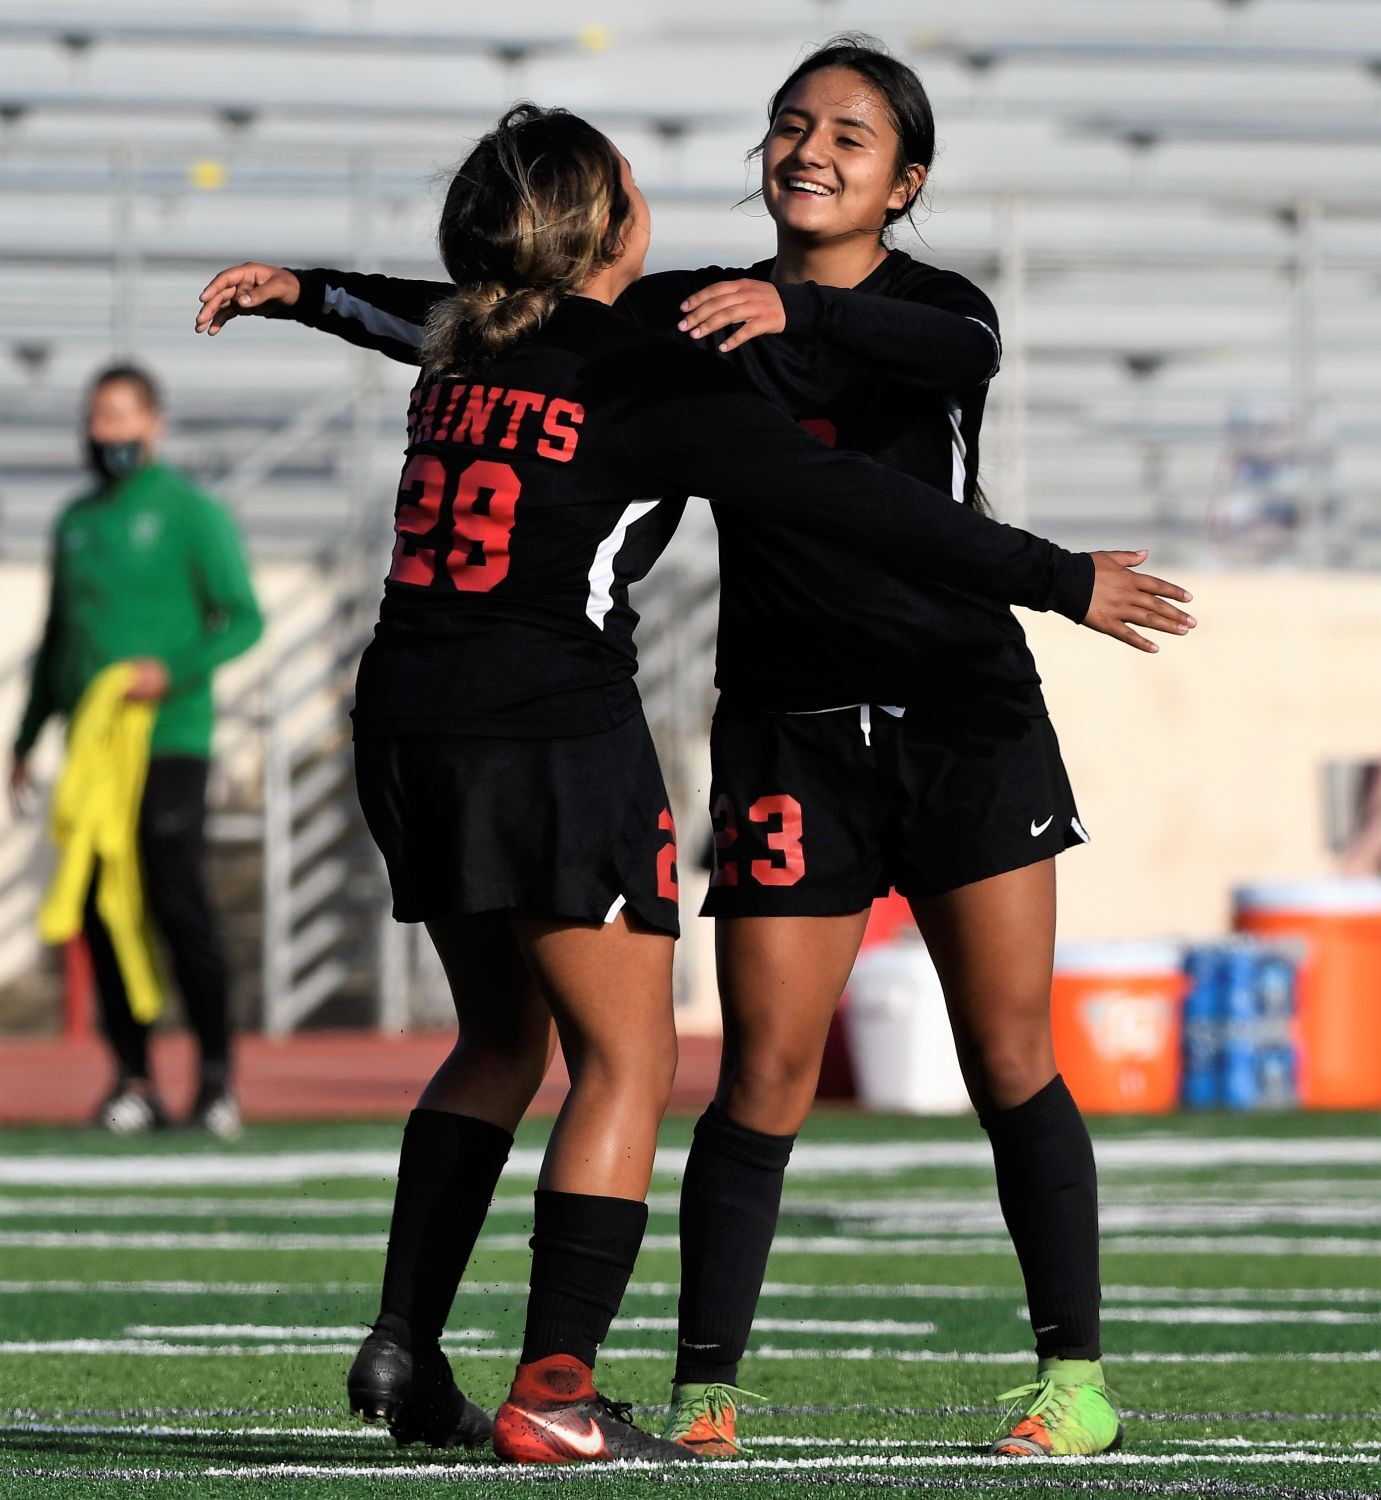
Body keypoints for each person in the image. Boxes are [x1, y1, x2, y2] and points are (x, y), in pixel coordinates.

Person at [195, 91, 1195, 1464]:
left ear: (909, 180)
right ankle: (657, 1391)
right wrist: (314, 291)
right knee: (717, 1069)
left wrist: (803, 318)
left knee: (998, 1050)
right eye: (792, 121)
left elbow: (934, 362)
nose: (812, 145)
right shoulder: (670, 334)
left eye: (852, 132)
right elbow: (512, 316)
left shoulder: (936, 308)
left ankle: (1067, 1376)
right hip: (752, 726)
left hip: (949, 715)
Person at [7, 364, 263, 1139]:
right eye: (97, 418)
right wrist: (25, 738)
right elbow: (58, 641)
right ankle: (134, 1079)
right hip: (92, 751)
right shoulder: (75, 521)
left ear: (153, 423)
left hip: (172, 738)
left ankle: (216, 1080)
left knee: (171, 888)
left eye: (122, 416)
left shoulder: (189, 511)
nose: (108, 432)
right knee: (94, 905)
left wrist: (171, 671)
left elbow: (243, 618)